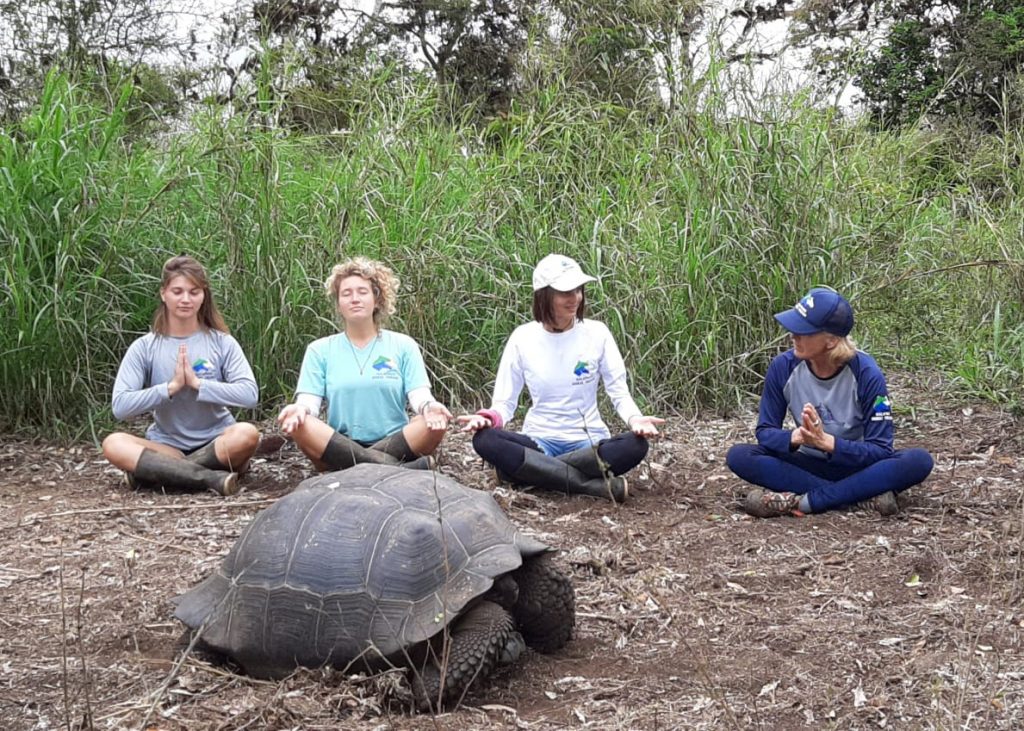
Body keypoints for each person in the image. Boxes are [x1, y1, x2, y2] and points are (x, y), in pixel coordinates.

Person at [458, 253, 663, 502]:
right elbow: (504, 403)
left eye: (578, 290)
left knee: (636, 445)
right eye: (565, 292)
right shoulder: (522, 338)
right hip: (539, 440)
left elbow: (618, 392)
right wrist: (487, 418)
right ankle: (589, 485)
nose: (575, 298)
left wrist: (635, 419)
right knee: (485, 440)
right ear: (545, 295)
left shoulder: (597, 333)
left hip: (589, 443)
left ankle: (536, 472)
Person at [727, 287, 933, 518]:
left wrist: (827, 442)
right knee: (740, 456)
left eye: (802, 331)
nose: (792, 336)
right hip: (807, 462)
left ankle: (808, 500)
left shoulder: (866, 374)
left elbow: (880, 449)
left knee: (917, 460)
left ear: (831, 340)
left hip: (857, 465)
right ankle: (858, 498)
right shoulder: (782, 367)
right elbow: (765, 432)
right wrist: (795, 438)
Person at [102, 255, 260, 496]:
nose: (186, 299)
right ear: (163, 293)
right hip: (167, 447)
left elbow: (250, 395)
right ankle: (209, 477)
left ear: (203, 295)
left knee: (247, 434)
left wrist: (199, 385)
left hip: (217, 442)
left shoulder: (222, 342)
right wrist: (170, 388)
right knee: (113, 443)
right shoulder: (145, 347)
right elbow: (121, 406)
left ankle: (161, 474)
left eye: (194, 292)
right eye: (178, 291)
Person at [277, 257, 450, 471]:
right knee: (302, 425)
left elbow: (420, 395)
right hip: (339, 444)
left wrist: (430, 407)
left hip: (396, 443)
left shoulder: (403, 345)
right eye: (346, 294)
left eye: (362, 292)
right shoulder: (319, 349)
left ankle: (352, 467)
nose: (355, 299)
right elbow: (308, 402)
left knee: (431, 424)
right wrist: (298, 409)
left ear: (377, 299)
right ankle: (399, 469)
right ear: (339, 304)